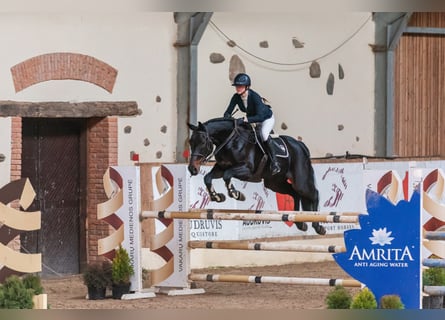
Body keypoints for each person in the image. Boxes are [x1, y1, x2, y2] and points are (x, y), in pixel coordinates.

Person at [223, 73, 281, 175]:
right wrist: (227, 118)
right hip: (253, 119)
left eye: (240, 86)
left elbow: (260, 117)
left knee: (263, 134)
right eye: (237, 86)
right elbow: (228, 111)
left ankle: (274, 163)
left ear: (247, 86)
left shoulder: (254, 97)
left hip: (266, 118)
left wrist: (246, 119)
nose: (238, 88)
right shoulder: (236, 97)